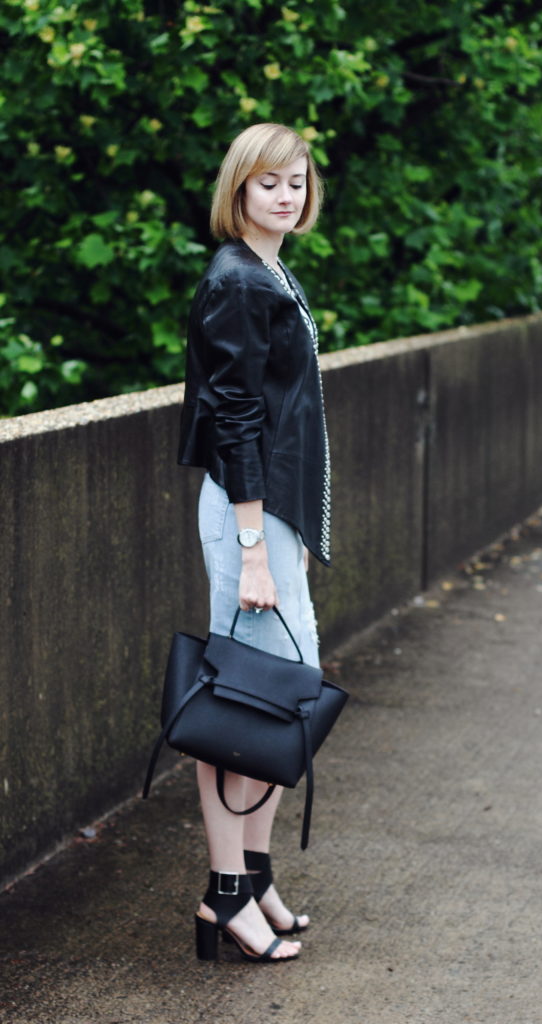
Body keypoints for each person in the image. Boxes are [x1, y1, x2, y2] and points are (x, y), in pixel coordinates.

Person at [177, 123, 331, 964]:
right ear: (238, 188)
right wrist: (254, 549)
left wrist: (289, 535)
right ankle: (224, 897)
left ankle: (255, 876)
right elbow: (234, 418)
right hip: (248, 513)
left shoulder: (270, 269)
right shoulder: (236, 279)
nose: (286, 194)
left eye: (297, 180)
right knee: (249, 703)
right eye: (269, 181)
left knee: (276, 694)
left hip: (269, 515)